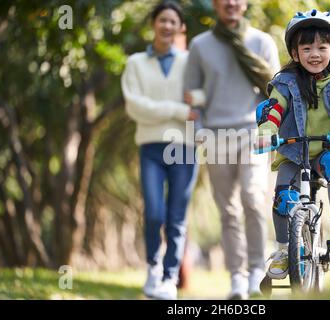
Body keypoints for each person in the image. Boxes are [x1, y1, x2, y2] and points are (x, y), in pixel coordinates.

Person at [256, 9, 330, 280]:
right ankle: (284, 250)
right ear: (295, 53)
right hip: (294, 152)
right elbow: (273, 109)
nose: (314, 54)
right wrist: (266, 131)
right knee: (283, 197)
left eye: (321, 47)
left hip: (325, 149)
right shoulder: (285, 83)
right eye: (306, 48)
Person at [184, 0, 280, 299]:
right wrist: (197, 131)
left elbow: (278, 91)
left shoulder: (262, 42)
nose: (231, 3)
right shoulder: (199, 46)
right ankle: (237, 277)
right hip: (215, 136)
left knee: (253, 198)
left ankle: (255, 271)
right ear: (215, 4)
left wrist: (271, 130)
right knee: (227, 211)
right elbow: (192, 96)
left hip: (253, 134)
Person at [121, 1, 205, 300]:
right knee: (155, 212)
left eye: (173, 21)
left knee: (176, 217)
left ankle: (170, 278)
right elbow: (135, 107)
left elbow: (203, 98)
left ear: (180, 27)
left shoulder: (190, 62)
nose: (167, 26)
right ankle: (153, 267)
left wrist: (192, 105)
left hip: (184, 147)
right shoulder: (135, 64)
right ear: (153, 23)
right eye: (162, 20)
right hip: (151, 147)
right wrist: (179, 110)